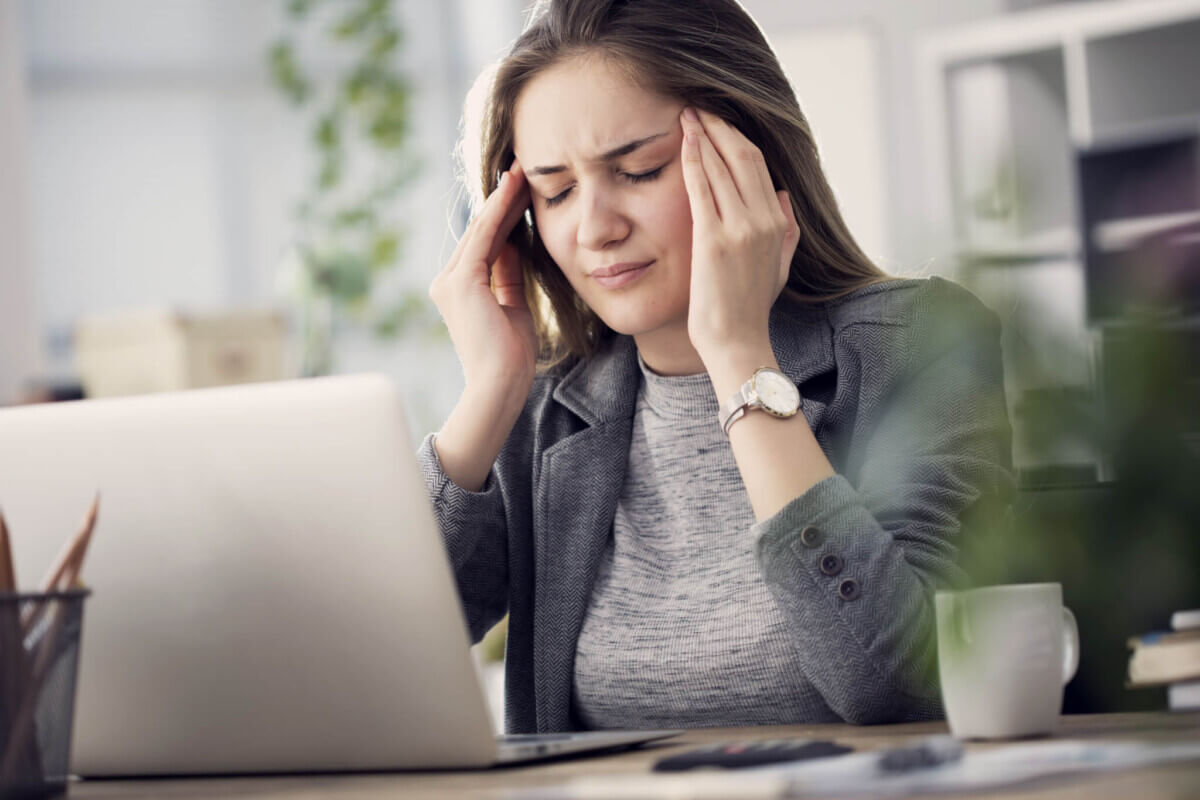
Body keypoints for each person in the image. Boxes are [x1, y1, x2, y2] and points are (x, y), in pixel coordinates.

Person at [419, 0, 1014, 733]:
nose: (596, 228)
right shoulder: (546, 409)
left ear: (750, 158)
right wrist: (491, 390)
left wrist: (738, 355)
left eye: (637, 170)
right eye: (558, 191)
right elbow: (378, 664)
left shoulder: (918, 342)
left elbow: (900, 684)